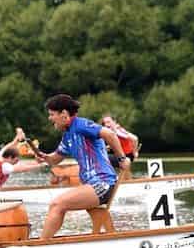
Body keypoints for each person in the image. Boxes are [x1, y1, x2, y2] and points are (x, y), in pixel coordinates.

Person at [31, 94, 131, 239]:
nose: (50, 118)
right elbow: (55, 160)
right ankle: (112, 241)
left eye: (52, 114)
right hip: (91, 185)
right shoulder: (67, 136)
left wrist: (122, 158)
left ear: (64, 114)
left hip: (102, 183)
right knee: (101, 223)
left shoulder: (81, 124)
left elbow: (110, 134)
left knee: (57, 204)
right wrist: (44, 157)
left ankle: (41, 245)